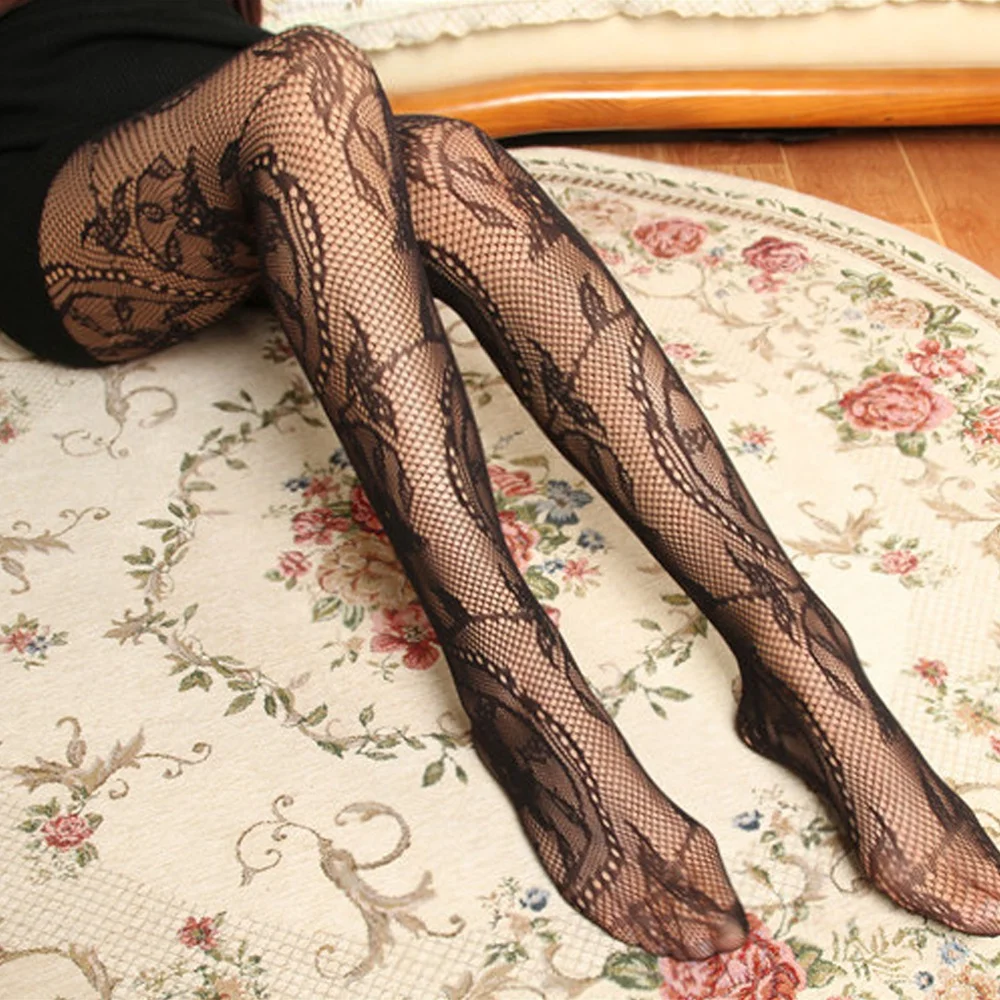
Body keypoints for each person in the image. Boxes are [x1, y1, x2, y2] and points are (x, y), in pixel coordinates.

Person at [2, 0, 999, 963]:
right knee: (311, 69)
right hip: (53, 175)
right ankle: (518, 683)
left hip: (239, 114)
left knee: (447, 160)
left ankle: (804, 665)